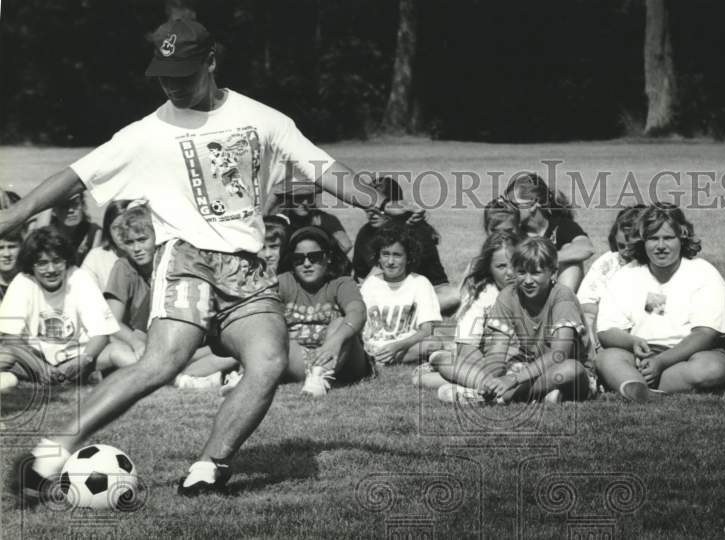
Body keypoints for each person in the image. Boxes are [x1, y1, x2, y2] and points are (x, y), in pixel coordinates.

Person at [3, 16, 420, 504]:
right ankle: (47, 456)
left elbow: (322, 166)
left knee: (267, 360)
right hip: (188, 262)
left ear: (212, 61)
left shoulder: (264, 120)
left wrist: (371, 197)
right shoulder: (146, 133)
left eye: (183, 73)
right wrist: (16, 212)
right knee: (163, 361)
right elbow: (76, 174)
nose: (172, 85)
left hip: (246, 268)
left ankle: (208, 468)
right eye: (163, 75)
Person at [595, 203, 725, 402]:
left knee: (713, 368)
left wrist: (661, 362)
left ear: (682, 238)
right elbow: (607, 331)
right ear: (642, 241)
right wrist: (632, 342)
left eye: (668, 238)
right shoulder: (626, 275)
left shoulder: (704, 273)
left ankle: (638, 386)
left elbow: (705, 334)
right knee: (607, 358)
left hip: (694, 353)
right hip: (642, 354)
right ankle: (641, 386)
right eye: (653, 238)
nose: (661, 246)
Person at [438, 237, 592, 405]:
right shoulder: (508, 295)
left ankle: (500, 397)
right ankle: (492, 392)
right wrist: (491, 380)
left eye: (535, 273)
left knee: (571, 369)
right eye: (521, 272)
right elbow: (498, 350)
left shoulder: (563, 297)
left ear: (553, 272)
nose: (527, 280)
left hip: (567, 369)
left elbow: (559, 354)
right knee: (443, 359)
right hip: (528, 368)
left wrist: (512, 380)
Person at [99, 203, 236, 387]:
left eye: (142, 240)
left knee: (230, 350)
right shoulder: (124, 268)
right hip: (139, 343)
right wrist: (137, 343)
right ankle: (180, 379)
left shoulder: (173, 264)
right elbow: (111, 322)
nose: (137, 248)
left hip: (174, 341)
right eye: (130, 243)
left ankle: (193, 376)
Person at [0, 227, 120, 394]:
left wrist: (81, 362)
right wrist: (40, 368)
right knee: (5, 353)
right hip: (34, 359)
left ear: (67, 261)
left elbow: (101, 334)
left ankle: (151, 384)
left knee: (118, 351)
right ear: (31, 266)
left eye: (57, 261)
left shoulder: (80, 277)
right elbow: (11, 338)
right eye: (42, 263)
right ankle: (12, 379)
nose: (51, 270)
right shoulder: (22, 281)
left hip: (77, 356)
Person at [414, 230, 518, 390]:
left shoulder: (535, 291)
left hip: (521, 364)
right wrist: (489, 370)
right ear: (489, 269)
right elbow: (467, 347)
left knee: (432, 377)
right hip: (483, 363)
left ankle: (473, 385)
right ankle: (489, 384)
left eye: (515, 264)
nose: (510, 273)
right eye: (501, 266)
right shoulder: (482, 296)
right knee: (428, 373)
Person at [278, 226, 372, 396]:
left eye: (314, 257)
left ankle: (319, 376)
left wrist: (335, 341)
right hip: (300, 357)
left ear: (328, 257)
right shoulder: (284, 282)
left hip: (343, 356)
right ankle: (231, 374)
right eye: (299, 258)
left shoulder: (341, 283)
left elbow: (358, 313)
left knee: (340, 322)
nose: (307, 264)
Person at [353, 176, 460, 315]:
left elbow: (386, 270)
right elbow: (361, 276)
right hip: (382, 290)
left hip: (421, 292)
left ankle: (402, 314)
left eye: (378, 208)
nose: (371, 213)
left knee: (451, 297)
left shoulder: (416, 230)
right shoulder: (365, 233)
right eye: (367, 208)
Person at [360, 222, 443, 365]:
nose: (390, 261)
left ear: (408, 257)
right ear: (378, 256)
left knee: (434, 343)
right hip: (373, 346)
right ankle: (375, 358)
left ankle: (382, 360)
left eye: (397, 255)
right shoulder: (370, 284)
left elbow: (427, 329)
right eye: (385, 254)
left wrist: (397, 346)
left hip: (404, 347)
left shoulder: (420, 283)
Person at [504, 173, 593, 292]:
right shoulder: (513, 234)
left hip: (557, 292)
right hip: (523, 293)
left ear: (532, 204)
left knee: (571, 262)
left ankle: (560, 306)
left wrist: (542, 260)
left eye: (513, 205)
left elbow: (586, 248)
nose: (508, 209)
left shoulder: (561, 225)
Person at [577, 205, 645, 348]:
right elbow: (586, 301)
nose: (626, 252)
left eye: (632, 247)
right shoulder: (608, 263)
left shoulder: (651, 267)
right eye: (621, 246)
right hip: (606, 326)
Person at [270, 180, 353, 256]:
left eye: (309, 197)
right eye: (299, 198)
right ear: (289, 200)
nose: (305, 203)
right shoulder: (280, 222)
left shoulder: (325, 219)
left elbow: (346, 245)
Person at [80, 200, 133, 291]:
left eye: (127, 226)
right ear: (108, 230)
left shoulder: (145, 256)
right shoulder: (96, 257)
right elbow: (83, 291)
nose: (121, 233)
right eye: (116, 227)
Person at [49, 192, 102, 265]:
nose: (71, 210)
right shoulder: (47, 236)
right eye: (64, 206)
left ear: (82, 206)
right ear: (54, 211)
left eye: (75, 204)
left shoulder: (93, 232)